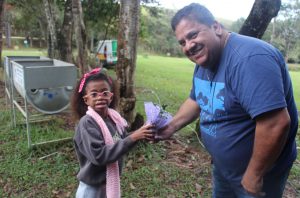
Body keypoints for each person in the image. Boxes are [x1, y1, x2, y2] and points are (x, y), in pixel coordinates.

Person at [156, 3, 298, 198]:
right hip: (224, 169)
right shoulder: (205, 59)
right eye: (182, 42)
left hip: (258, 173)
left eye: (193, 35)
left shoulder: (249, 59)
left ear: (216, 27)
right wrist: (171, 126)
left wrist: (254, 174)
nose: (188, 46)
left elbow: (275, 123)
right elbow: (197, 99)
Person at [71, 68, 154, 198]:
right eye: (94, 94)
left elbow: (119, 140)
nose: (100, 97)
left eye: (105, 93)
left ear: (111, 96)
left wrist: (141, 133)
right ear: (86, 99)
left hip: (107, 183)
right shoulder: (87, 123)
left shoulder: (113, 118)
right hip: (92, 188)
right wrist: (133, 137)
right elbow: (99, 155)